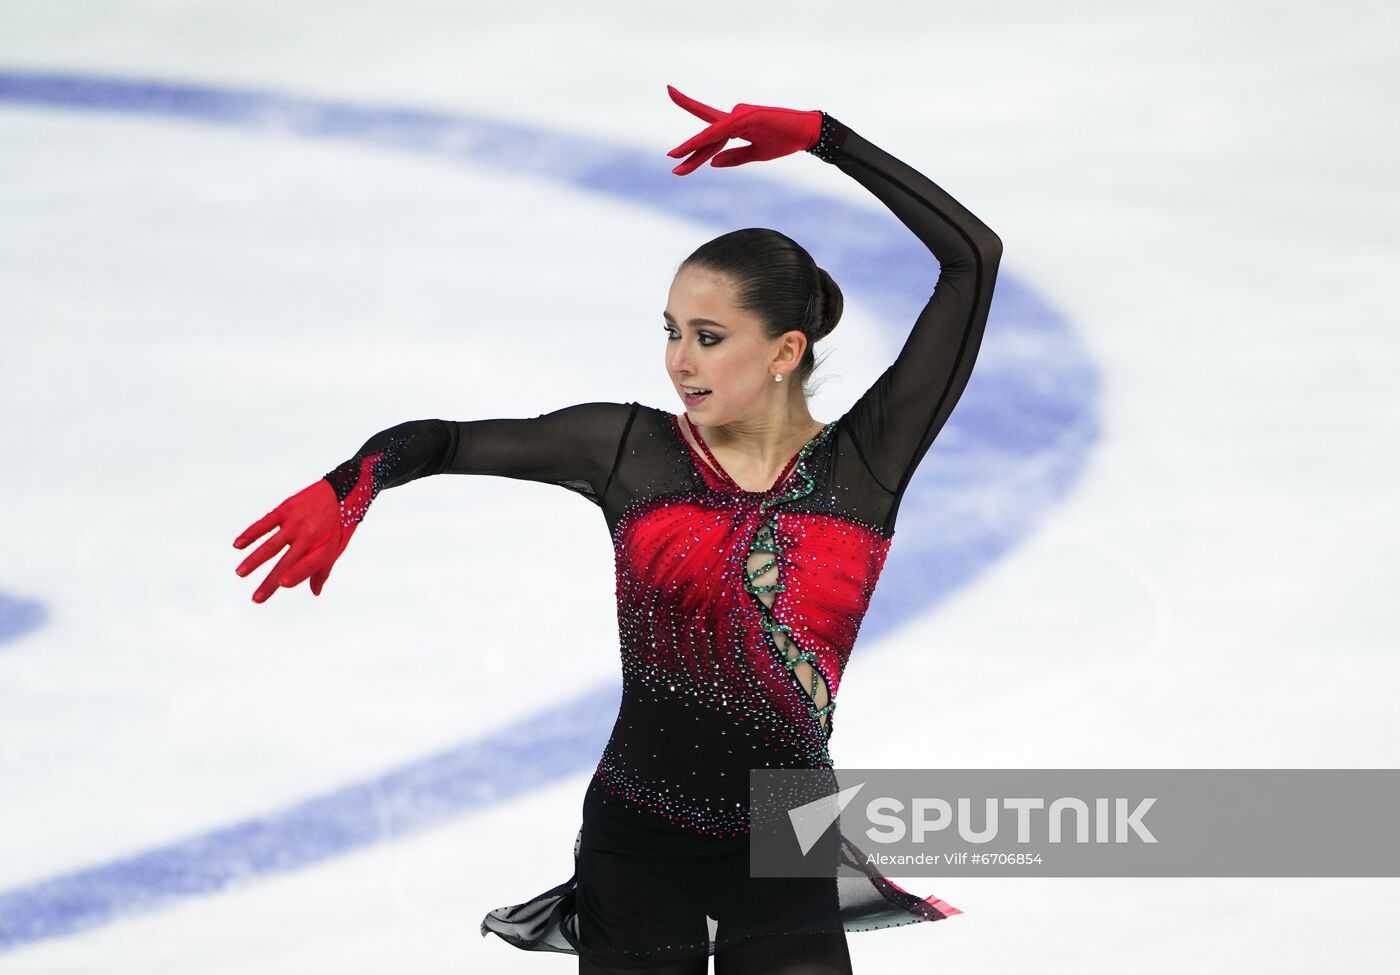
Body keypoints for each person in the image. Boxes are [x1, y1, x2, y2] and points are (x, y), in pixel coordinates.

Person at [233, 85, 1002, 974]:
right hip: (639, 842)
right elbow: (444, 440)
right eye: (672, 331)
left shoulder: (862, 468)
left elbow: (972, 258)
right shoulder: (631, 451)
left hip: (786, 840)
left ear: (787, 351)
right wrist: (352, 485)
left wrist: (828, 140)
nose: (680, 359)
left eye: (709, 336)